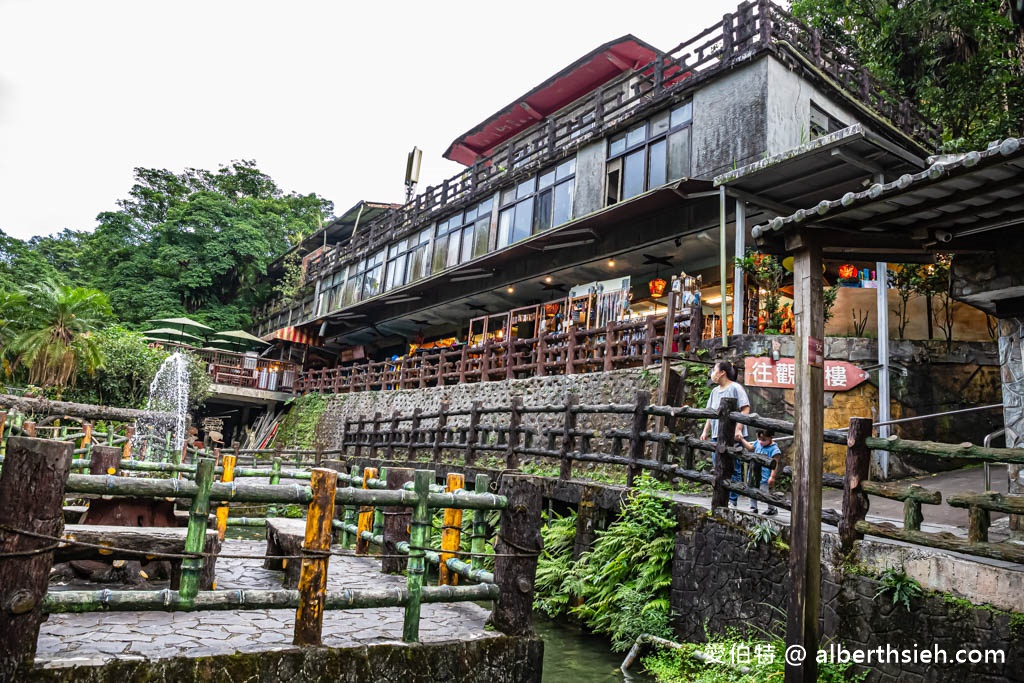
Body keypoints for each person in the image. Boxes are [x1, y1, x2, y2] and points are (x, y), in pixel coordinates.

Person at [699, 360, 751, 507]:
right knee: (718, 466)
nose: (712, 373)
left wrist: (738, 429)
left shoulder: (736, 388)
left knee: (733, 467)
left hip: (733, 435)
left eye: (714, 369)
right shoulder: (714, 392)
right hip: (717, 434)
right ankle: (721, 497)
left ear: (722, 372)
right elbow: (711, 413)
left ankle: (733, 500)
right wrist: (705, 431)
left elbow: (745, 409)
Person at [739, 429, 781, 515]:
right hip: (753, 473)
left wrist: (772, 477)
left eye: (764, 440)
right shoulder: (758, 443)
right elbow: (750, 447)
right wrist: (742, 439)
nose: (761, 442)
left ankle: (771, 508)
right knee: (751, 490)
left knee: (765, 493)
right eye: (759, 439)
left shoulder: (774, 449)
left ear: (771, 437)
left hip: (764, 476)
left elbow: (775, 464)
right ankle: (753, 507)